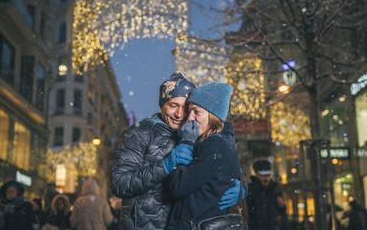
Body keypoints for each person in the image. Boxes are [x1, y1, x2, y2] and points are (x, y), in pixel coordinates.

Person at [111, 72, 242, 230]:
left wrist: (240, 188)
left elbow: (218, 168)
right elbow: (120, 184)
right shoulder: (141, 133)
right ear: (162, 104)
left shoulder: (200, 135)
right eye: (173, 105)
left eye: (185, 108)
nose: (179, 114)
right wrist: (165, 165)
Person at [166, 82, 242, 229]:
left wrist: (186, 142)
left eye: (196, 112)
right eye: (189, 112)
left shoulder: (215, 144)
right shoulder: (222, 141)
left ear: (213, 115)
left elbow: (178, 186)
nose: (189, 118)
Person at [246, 160, 287, 230]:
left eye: (268, 175)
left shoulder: (275, 188)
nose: (266, 178)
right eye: (263, 175)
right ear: (256, 174)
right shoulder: (250, 189)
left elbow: (282, 211)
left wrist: (282, 206)